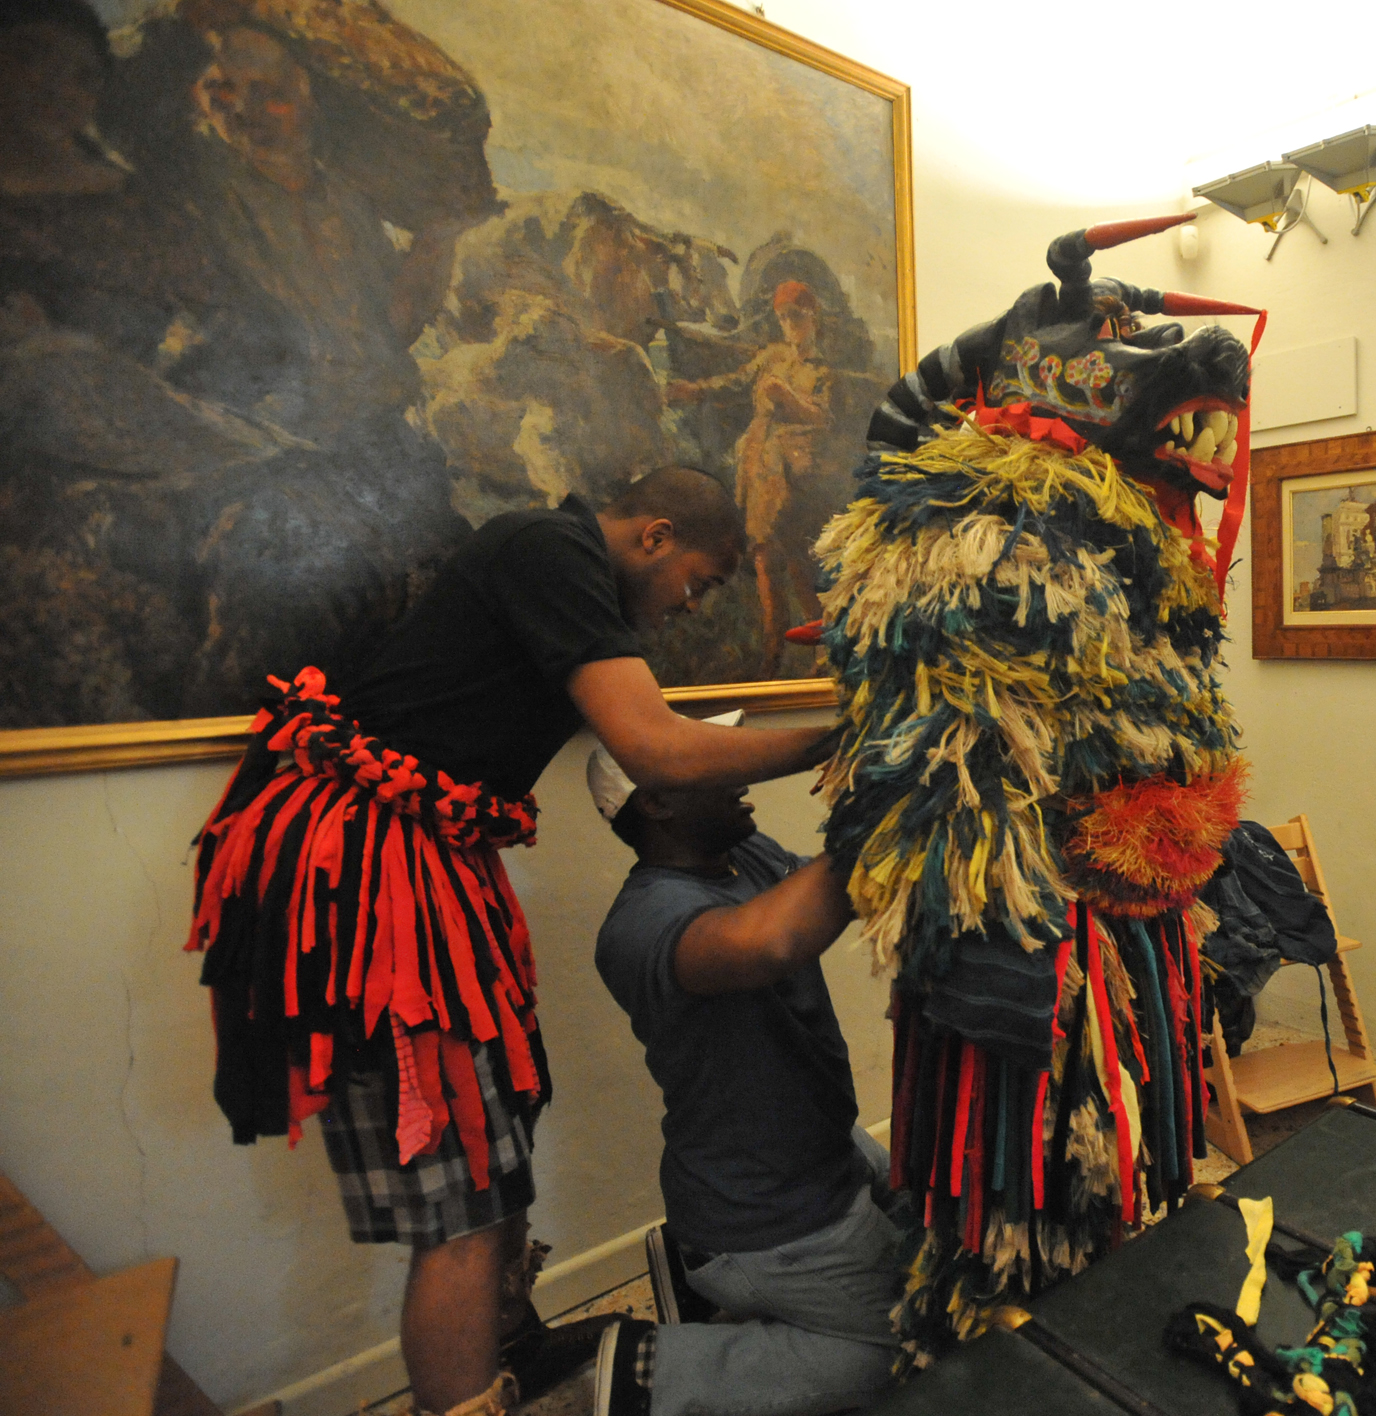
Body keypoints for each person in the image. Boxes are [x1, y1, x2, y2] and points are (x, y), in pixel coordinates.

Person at [186, 467, 835, 1416]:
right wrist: (838, 738)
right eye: (699, 582)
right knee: (459, 1201)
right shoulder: (550, 549)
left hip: (427, 864)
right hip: (371, 876)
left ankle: (511, 1344)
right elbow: (654, 749)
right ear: (655, 536)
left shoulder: (554, 569)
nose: (690, 607)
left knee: (493, 1142)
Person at [581, 741, 904, 1416]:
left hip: (821, 1146)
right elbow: (768, 942)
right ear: (657, 800)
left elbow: (823, 899)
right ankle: (659, 1372)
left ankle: (713, 1278)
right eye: (711, 765)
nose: (739, 775)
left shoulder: (742, 855)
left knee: (924, 1221)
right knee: (914, 1343)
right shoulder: (640, 922)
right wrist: (888, 805)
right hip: (766, 1207)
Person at [667, 279, 832, 677]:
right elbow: (737, 382)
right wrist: (695, 390)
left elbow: (822, 418)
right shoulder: (771, 357)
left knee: (796, 562)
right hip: (760, 469)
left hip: (793, 477)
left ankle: (824, 650)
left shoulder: (822, 371)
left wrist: (787, 398)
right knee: (764, 561)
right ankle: (772, 655)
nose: (790, 324)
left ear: (813, 316)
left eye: (796, 316)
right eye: (783, 317)